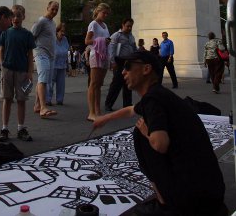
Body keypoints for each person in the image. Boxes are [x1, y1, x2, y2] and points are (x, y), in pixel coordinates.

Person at [93, 51, 227, 216]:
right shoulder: (159, 95)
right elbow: (130, 110)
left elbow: (160, 144)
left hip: (190, 200)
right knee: (143, 129)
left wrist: (146, 132)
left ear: (146, 69)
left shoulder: (153, 99)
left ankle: (165, 203)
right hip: (211, 193)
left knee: (140, 133)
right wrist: (105, 118)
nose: (123, 72)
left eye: (128, 66)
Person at [0, 5, 35, 142]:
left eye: (19, 15)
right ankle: (4, 128)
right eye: (13, 15)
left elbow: (30, 55)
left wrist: (30, 72)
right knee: (7, 99)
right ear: (10, 18)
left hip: (22, 71)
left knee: (21, 100)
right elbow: (1, 50)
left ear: (23, 17)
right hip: (7, 70)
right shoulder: (5, 33)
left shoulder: (27, 34)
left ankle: (21, 128)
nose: (16, 18)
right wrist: (2, 65)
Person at [31, 1, 59, 118]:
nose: (54, 11)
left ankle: (37, 105)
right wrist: (31, 53)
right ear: (47, 7)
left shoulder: (53, 23)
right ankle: (43, 108)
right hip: (41, 53)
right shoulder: (41, 21)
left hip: (50, 56)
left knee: (45, 80)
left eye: (56, 9)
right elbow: (31, 36)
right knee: (43, 80)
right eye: (52, 9)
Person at [85, 3, 111, 122]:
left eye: (107, 13)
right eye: (104, 13)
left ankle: (98, 111)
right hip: (95, 54)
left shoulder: (105, 25)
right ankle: (91, 113)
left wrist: (107, 42)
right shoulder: (93, 24)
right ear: (98, 11)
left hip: (104, 55)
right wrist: (101, 40)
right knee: (94, 83)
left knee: (99, 84)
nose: (105, 15)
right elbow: (87, 41)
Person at [105, 18, 137, 112]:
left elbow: (134, 48)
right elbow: (111, 48)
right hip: (119, 61)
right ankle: (108, 104)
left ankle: (127, 104)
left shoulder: (131, 36)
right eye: (128, 26)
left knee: (128, 83)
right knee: (116, 84)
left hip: (129, 62)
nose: (129, 28)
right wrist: (112, 61)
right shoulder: (116, 35)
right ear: (123, 25)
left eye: (131, 26)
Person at [46, 23, 69, 105]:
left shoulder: (65, 39)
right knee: (50, 83)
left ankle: (60, 100)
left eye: (64, 31)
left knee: (61, 84)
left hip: (62, 64)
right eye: (61, 31)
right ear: (57, 31)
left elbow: (66, 51)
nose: (63, 33)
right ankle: (48, 100)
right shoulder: (52, 39)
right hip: (53, 64)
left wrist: (67, 64)